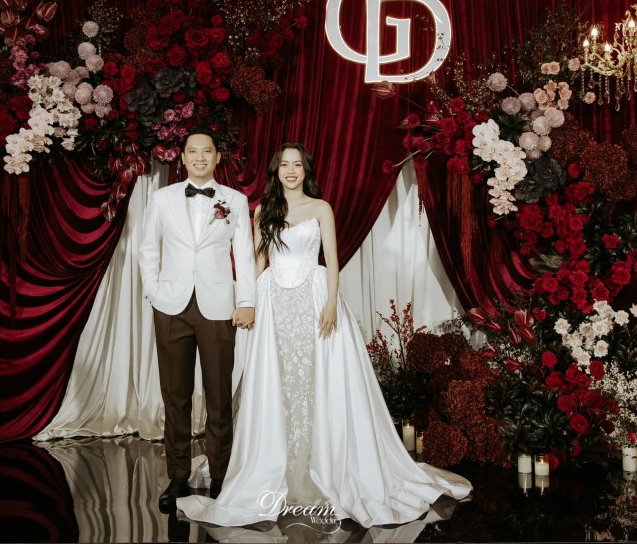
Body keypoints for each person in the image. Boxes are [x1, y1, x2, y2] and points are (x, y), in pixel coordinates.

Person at [177, 143, 471, 527]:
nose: (291, 171)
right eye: (284, 165)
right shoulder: (264, 211)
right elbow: (257, 262)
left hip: (314, 298)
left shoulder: (321, 208)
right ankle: (278, 464)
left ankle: (325, 464)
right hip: (275, 301)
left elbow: (331, 262)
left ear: (306, 171)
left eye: (297, 165)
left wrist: (331, 304)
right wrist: (249, 302)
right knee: (281, 380)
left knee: (318, 379)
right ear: (276, 171)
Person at [139, 126, 257, 513]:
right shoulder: (162, 198)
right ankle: (177, 475)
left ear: (217, 157)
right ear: (183, 157)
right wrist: (155, 292)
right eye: (193, 151)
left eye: (207, 151)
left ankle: (221, 475)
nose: (200, 157)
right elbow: (147, 249)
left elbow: (245, 254)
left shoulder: (235, 200)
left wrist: (247, 301)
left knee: (219, 395)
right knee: (175, 395)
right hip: (171, 306)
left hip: (219, 306)